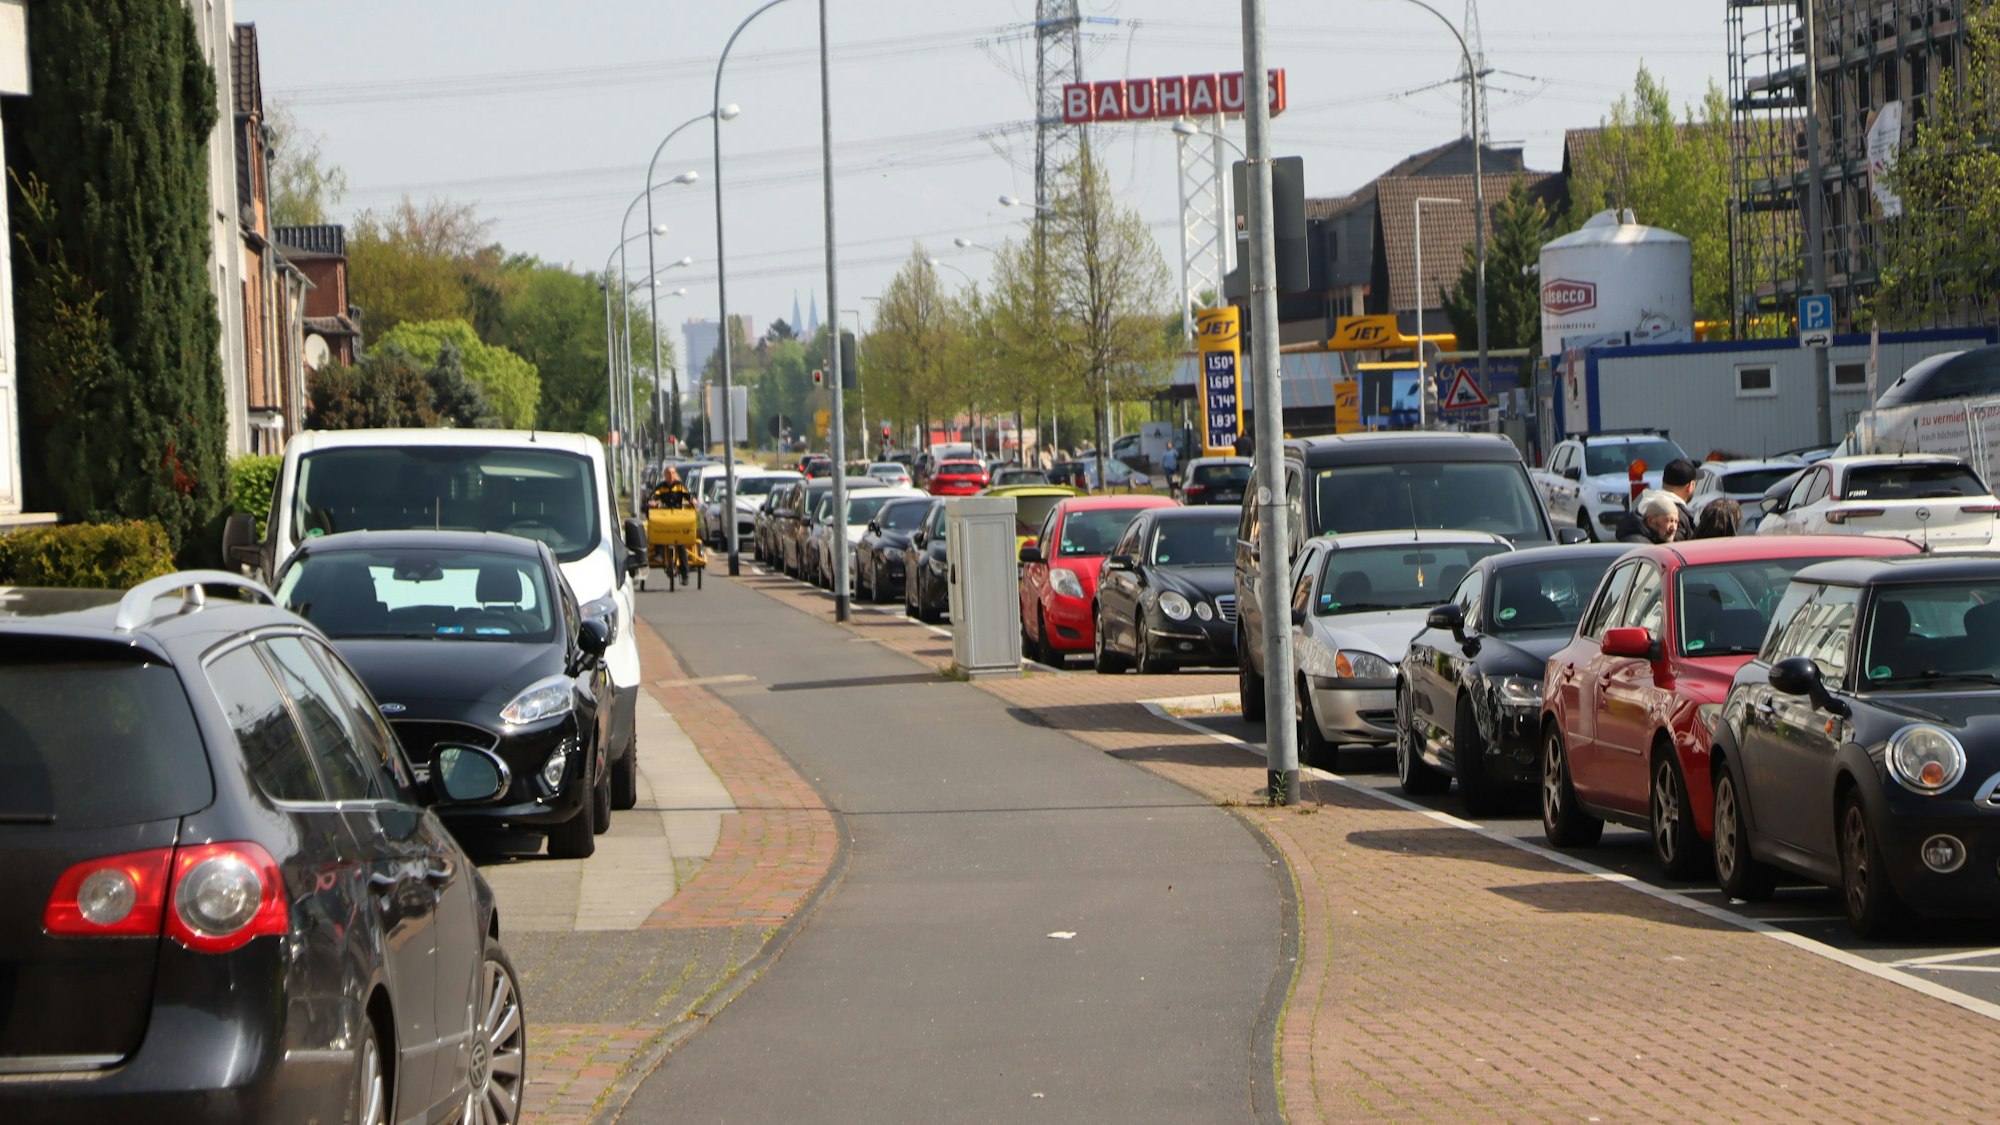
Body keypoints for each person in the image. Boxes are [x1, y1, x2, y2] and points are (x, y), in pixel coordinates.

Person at [1613, 457, 1698, 542]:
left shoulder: (1645, 504)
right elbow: (1675, 551)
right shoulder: (1673, 514)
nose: (1673, 527)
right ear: (1690, 486)